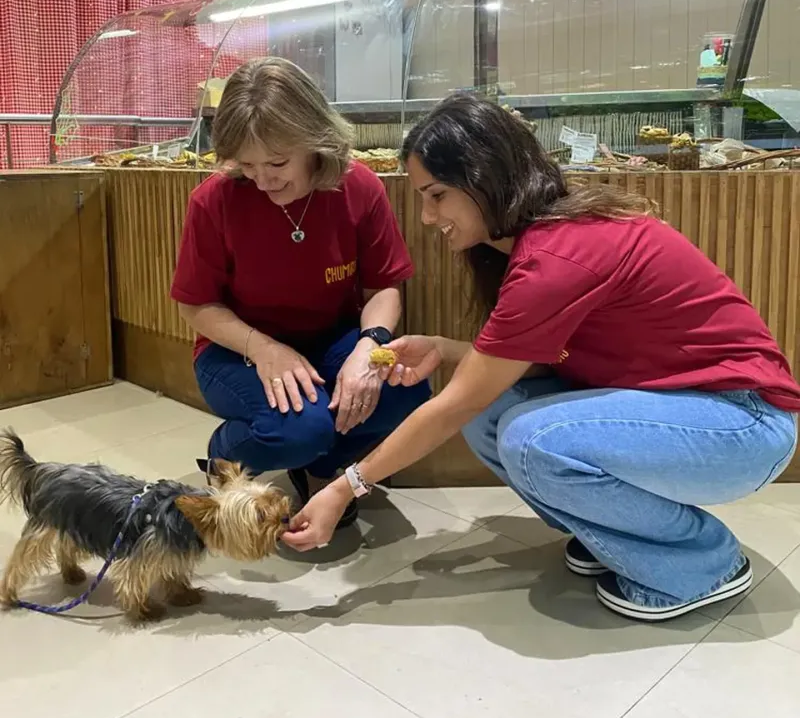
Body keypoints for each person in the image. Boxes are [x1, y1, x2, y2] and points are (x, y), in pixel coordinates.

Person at [283, 93, 800, 620]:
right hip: (680, 406)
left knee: (530, 440)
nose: (427, 215)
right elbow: (518, 368)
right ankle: (618, 538)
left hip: (744, 424)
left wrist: (345, 488)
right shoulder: (538, 239)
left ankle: (702, 563)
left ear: (483, 176)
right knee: (494, 413)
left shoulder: (557, 255)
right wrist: (444, 348)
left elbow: (453, 405)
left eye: (436, 195)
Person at [171, 57, 429, 527]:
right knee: (298, 428)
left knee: (405, 390)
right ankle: (224, 456)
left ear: (315, 140)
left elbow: (384, 285)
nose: (263, 181)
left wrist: (368, 346)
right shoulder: (213, 200)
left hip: (332, 338)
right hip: (237, 349)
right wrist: (265, 350)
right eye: (246, 165)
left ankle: (321, 465)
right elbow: (197, 304)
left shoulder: (357, 187)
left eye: (276, 162)